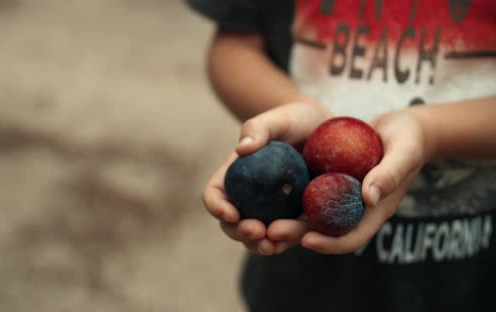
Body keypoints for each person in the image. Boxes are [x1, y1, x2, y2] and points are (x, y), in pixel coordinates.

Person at [187, 1, 496, 311]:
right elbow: (236, 47)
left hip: (470, 270)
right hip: (299, 264)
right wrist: (293, 109)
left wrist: (431, 132)